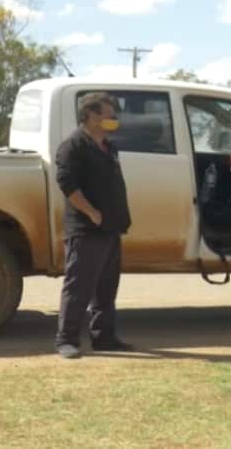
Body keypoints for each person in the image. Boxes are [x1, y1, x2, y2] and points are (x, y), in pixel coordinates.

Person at [53, 92, 135, 359]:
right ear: (91, 116)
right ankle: (66, 340)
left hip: (110, 228)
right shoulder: (73, 146)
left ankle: (104, 337)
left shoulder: (108, 147)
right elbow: (68, 185)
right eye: (109, 115)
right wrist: (91, 212)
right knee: (79, 287)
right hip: (86, 229)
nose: (113, 120)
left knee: (106, 289)